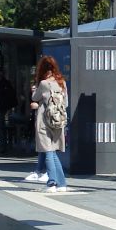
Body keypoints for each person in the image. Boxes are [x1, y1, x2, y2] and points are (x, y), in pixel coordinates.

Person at [29, 54, 68, 192]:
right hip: (58, 121)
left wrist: (35, 99)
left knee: (48, 152)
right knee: (53, 153)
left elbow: (35, 98)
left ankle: (51, 183)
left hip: (45, 122)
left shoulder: (44, 84)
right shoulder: (62, 83)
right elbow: (66, 103)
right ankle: (62, 183)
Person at [0, 66, 17, 153]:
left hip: (2, 107)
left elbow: (4, 96)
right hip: (1, 107)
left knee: (0, 126)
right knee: (0, 126)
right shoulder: (0, 82)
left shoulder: (4, 83)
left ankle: (3, 146)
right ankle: (3, 145)